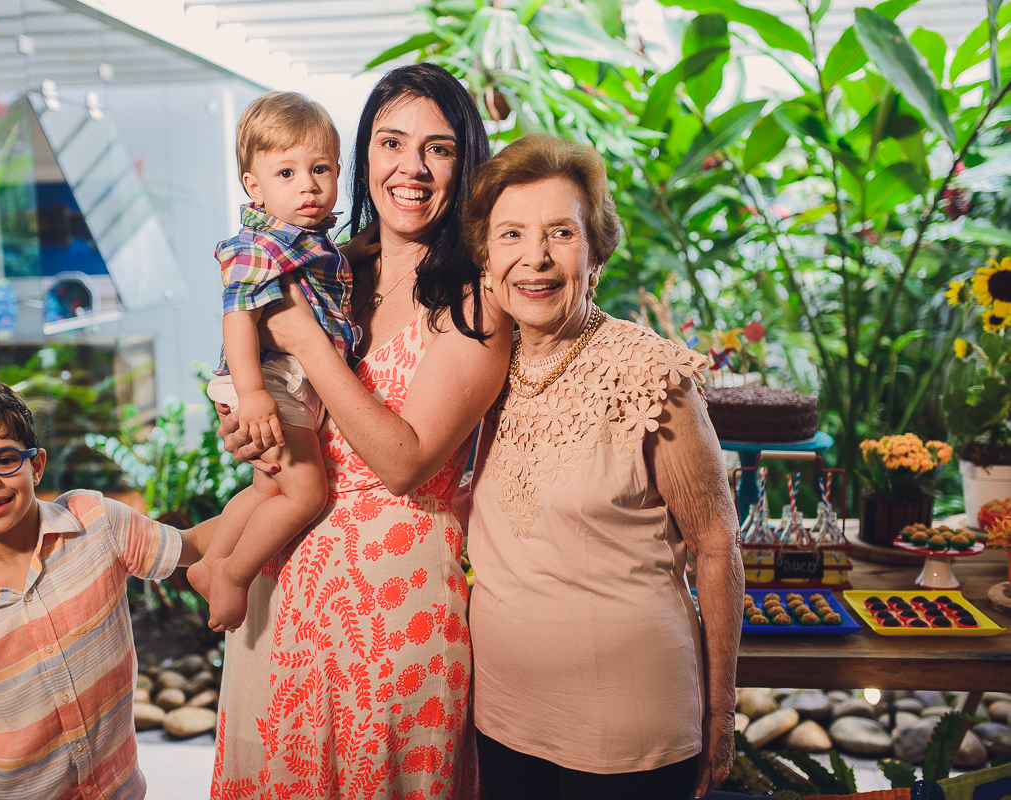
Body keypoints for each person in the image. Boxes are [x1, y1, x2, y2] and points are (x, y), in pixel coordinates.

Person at [209, 63, 510, 799]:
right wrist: (250, 431)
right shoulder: (329, 268)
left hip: (398, 601)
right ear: (363, 159)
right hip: (286, 588)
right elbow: (279, 411)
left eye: (437, 149)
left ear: (463, 163)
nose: (410, 167)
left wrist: (307, 341)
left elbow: (405, 462)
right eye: (390, 142)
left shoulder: (476, 300)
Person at [459, 135, 744, 800]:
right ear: (486, 258)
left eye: (561, 232)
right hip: (501, 719)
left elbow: (716, 541)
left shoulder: (650, 373)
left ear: (594, 255)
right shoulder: (479, 366)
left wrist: (723, 712)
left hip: (630, 733)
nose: (535, 257)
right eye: (511, 235)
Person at [0, 378, 215, 800]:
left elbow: (197, 544)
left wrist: (276, 492)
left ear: (36, 466)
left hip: (116, 787)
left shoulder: (97, 523)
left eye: (3, 460)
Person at [191, 92, 358, 633]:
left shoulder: (303, 240)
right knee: (307, 491)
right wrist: (254, 392)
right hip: (265, 378)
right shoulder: (257, 245)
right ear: (254, 186)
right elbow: (237, 315)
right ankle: (234, 576)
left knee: (268, 488)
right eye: (286, 172)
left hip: (273, 380)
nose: (308, 185)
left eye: (321, 169)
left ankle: (210, 562)